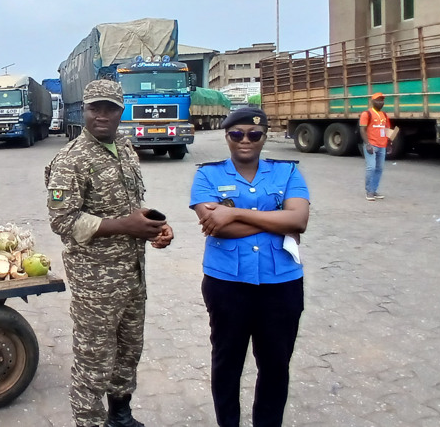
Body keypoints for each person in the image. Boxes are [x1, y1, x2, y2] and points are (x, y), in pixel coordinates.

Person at [45, 80, 173, 427]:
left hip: (132, 273)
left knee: (129, 350)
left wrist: (154, 226)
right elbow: (63, 221)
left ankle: (121, 414)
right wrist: (125, 226)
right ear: (83, 110)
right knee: (94, 360)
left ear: (121, 110)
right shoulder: (71, 160)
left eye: (110, 108)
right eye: (94, 108)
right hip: (95, 284)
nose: (102, 115)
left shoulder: (125, 148)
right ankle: (90, 422)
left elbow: (132, 206)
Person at [189, 107, 310, 427]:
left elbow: (299, 219)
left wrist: (235, 213)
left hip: (281, 283)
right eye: (237, 134)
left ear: (264, 137)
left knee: (275, 365)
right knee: (226, 362)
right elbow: (216, 226)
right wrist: (276, 221)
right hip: (227, 283)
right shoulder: (207, 175)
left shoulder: (286, 172)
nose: (246, 140)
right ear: (226, 137)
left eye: (254, 134)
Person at [359, 92, 390, 201]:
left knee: (379, 169)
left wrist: (389, 143)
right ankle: (369, 191)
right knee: (371, 167)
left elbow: (387, 130)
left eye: (382, 100)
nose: (381, 102)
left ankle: (374, 190)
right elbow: (362, 129)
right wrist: (367, 144)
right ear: (372, 101)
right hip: (371, 145)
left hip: (382, 145)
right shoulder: (366, 114)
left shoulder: (385, 115)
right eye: (378, 100)